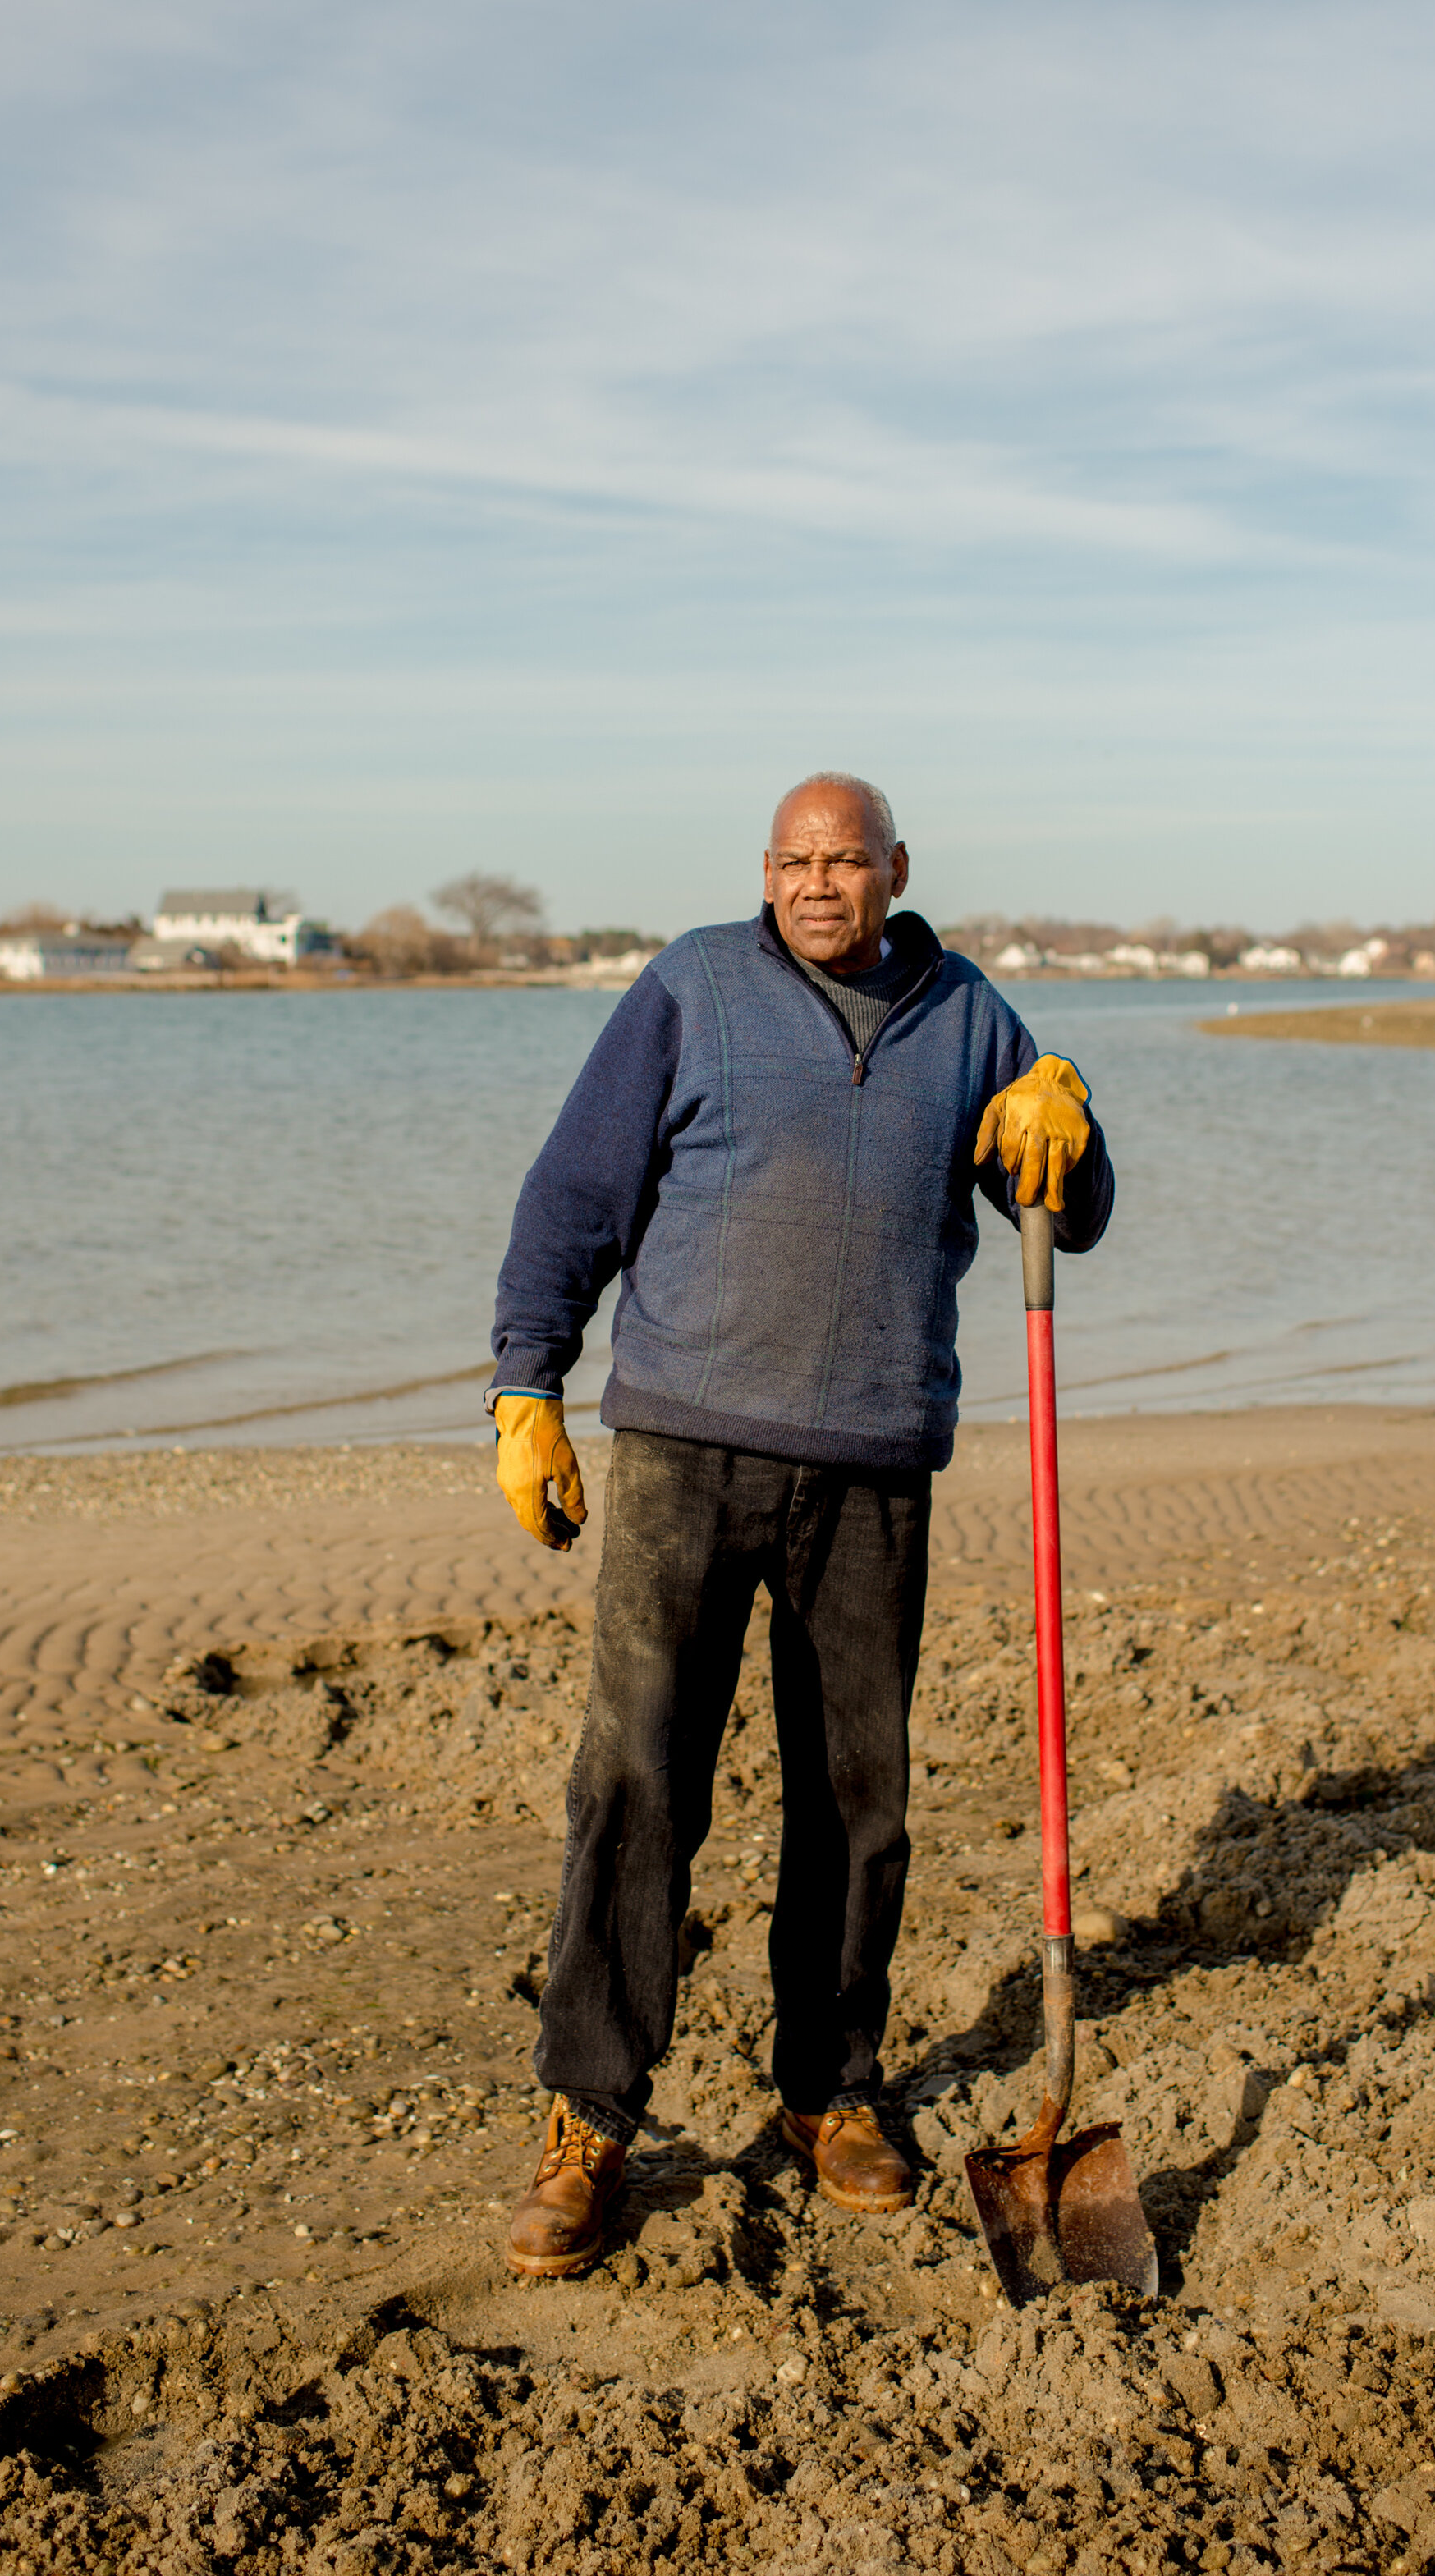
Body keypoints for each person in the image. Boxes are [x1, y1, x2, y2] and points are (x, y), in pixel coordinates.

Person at [488, 772, 1113, 2276]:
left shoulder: (969, 1019)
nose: (818, 884)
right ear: (763, 873)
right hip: (685, 1450)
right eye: (793, 861)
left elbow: (1068, 1217)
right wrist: (528, 1384)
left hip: (876, 1460)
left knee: (858, 1798)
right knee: (637, 1783)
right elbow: (574, 1192)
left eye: (845, 861)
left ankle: (829, 2092)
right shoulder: (689, 987)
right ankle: (591, 2118)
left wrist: (1065, 1116)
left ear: (897, 868)